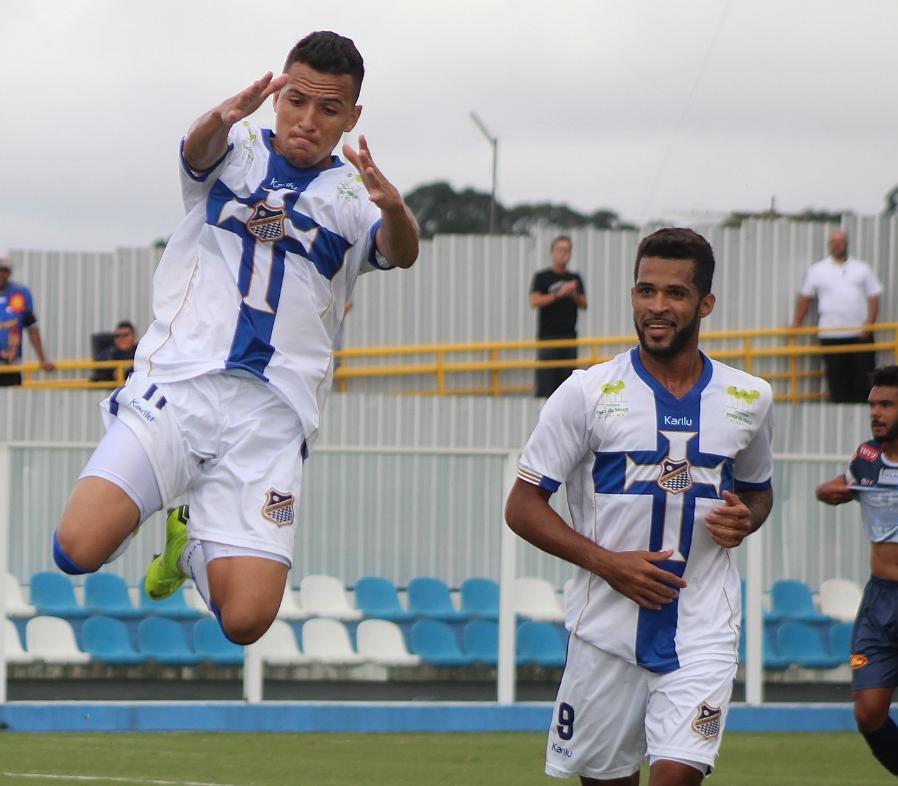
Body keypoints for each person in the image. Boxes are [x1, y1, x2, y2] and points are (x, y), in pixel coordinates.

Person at [53, 31, 419, 645]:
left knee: (245, 622)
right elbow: (195, 151)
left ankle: (190, 538)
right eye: (296, 100)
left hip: (271, 419)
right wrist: (221, 116)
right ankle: (168, 501)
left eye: (329, 110)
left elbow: (400, 253)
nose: (308, 120)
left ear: (352, 117)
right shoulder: (237, 146)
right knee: (77, 550)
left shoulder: (357, 195)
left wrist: (396, 210)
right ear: (276, 93)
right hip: (181, 386)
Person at [506, 227, 774, 785]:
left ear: (705, 303)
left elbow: (757, 489)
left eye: (675, 293)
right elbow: (523, 505)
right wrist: (609, 563)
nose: (657, 307)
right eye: (645, 290)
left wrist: (746, 519)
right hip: (605, 630)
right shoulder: (584, 392)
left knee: (676, 777)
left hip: (702, 625)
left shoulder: (750, 398)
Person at [814, 364, 898, 777]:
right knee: (869, 713)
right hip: (879, 601)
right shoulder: (866, 457)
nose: (876, 413)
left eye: (886, 405)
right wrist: (829, 492)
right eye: (874, 405)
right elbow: (838, 486)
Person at [791, 229, 882, 403]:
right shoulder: (817, 270)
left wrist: (869, 325)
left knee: (864, 380)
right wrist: (797, 323)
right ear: (829, 245)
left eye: (841, 241)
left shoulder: (861, 268)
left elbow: (874, 297)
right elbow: (805, 298)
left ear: (846, 243)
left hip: (860, 335)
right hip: (831, 335)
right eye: (834, 241)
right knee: (837, 380)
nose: (837, 245)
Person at [529, 235, 587, 397]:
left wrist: (573, 293)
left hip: (569, 338)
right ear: (552, 252)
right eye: (560, 250)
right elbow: (534, 301)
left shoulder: (574, 278)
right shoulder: (542, 277)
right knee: (546, 386)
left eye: (567, 250)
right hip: (548, 338)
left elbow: (584, 304)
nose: (563, 254)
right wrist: (558, 294)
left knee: (567, 387)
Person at [0, 251, 55, 386]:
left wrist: (42, 359)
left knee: (10, 403)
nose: (1, 273)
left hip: (10, 363)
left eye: (4, 269)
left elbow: (32, 329)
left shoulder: (20, 293)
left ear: (10, 272)